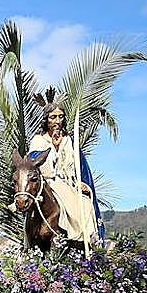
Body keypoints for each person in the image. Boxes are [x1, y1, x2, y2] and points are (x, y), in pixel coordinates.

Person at [27, 91, 100, 243]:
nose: (57, 121)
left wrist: (83, 183)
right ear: (46, 120)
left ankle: (87, 241)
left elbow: (80, 168)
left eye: (60, 117)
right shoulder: (38, 141)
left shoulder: (69, 141)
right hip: (48, 183)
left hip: (70, 184)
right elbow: (36, 166)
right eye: (53, 117)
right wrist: (54, 146)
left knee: (85, 205)